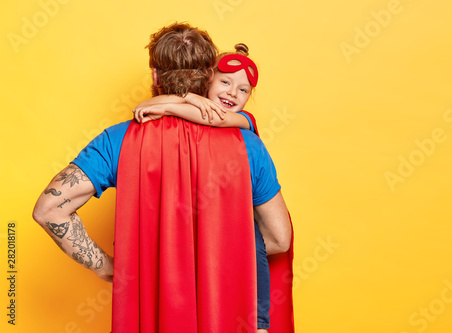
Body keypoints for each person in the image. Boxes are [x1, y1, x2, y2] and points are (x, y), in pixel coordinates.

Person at [32, 22, 293, 333]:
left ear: (155, 75)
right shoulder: (247, 145)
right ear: (210, 75)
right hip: (227, 315)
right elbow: (279, 238)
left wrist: (110, 268)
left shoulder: (118, 139)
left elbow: (49, 210)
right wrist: (214, 249)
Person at [132, 43, 287, 331]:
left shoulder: (245, 122)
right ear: (207, 80)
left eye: (243, 90)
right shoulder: (194, 103)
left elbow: (214, 117)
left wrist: (170, 105)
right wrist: (189, 97)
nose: (232, 93)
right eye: (225, 82)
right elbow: (140, 109)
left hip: (242, 266)